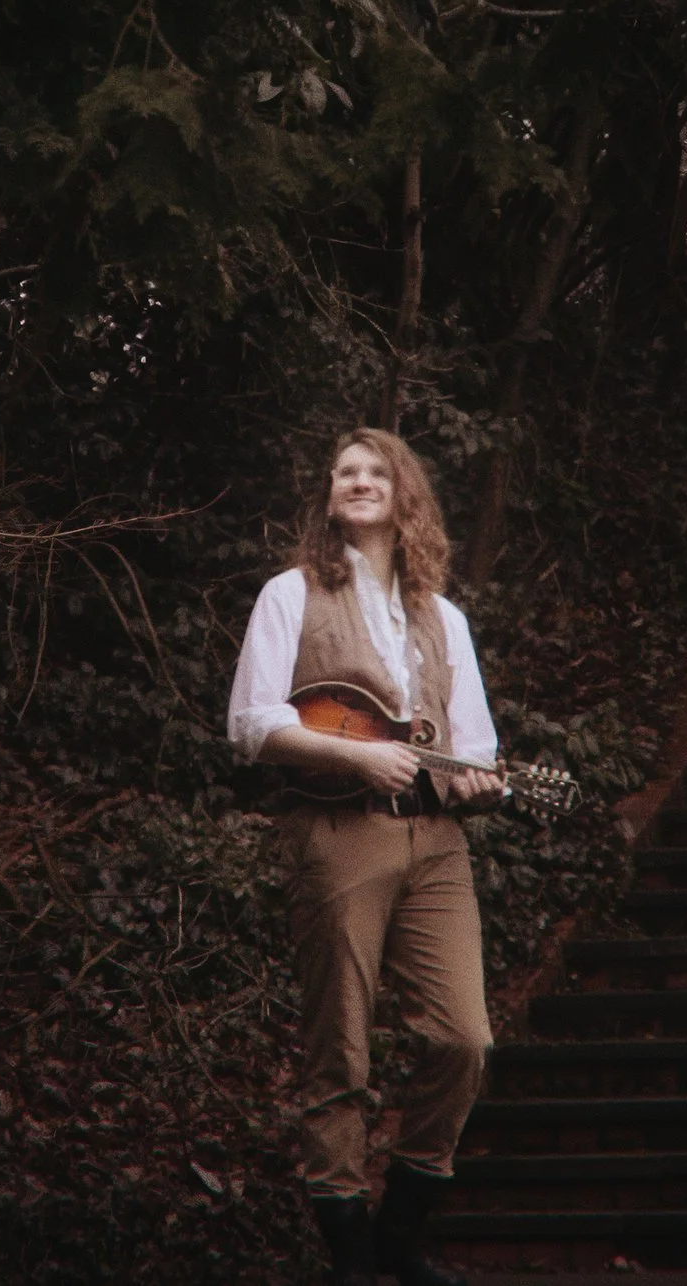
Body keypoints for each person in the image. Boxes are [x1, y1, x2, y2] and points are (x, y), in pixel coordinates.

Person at [227, 427, 496, 1286]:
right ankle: (351, 1256)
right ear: (329, 494)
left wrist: (483, 784)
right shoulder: (289, 594)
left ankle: (399, 1236)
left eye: (376, 471)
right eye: (345, 472)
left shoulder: (443, 617)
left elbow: (477, 745)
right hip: (336, 836)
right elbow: (251, 723)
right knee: (339, 1049)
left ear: (404, 494)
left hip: (436, 843)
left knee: (464, 1041)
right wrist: (357, 756)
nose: (358, 481)